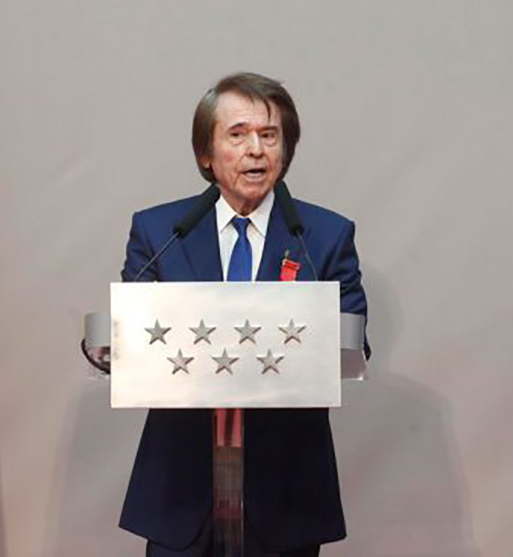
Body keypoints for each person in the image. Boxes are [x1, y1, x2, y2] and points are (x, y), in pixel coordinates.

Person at [118, 72, 370, 557]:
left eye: (269, 135)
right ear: (205, 155)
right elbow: (133, 341)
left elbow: (351, 347)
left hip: (286, 493)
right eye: (237, 135)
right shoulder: (158, 232)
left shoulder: (324, 236)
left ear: (284, 151)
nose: (256, 149)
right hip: (180, 492)